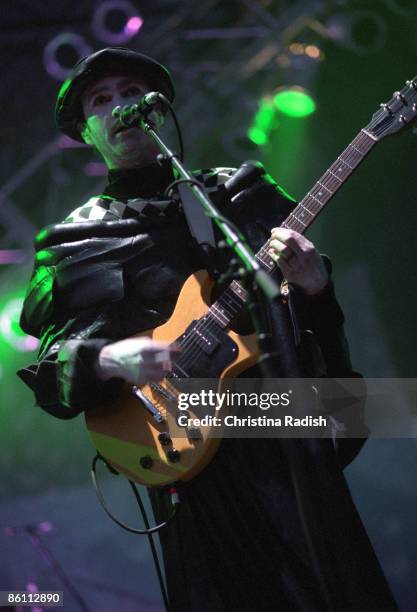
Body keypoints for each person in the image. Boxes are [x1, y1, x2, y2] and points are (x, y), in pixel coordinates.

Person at [18, 48, 398, 611]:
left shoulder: (239, 194)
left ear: (159, 108)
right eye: (101, 100)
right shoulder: (75, 242)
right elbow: (51, 375)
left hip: (280, 435)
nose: (120, 106)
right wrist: (108, 359)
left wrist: (316, 286)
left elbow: (314, 333)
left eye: (131, 92)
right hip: (185, 465)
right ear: (86, 131)